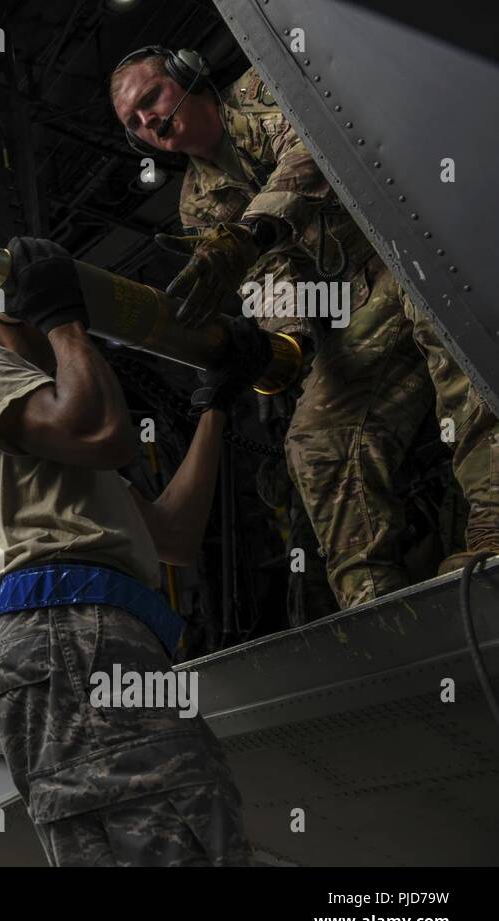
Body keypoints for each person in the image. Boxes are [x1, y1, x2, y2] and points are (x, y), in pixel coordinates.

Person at [110, 47, 499, 607]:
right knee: (314, 438)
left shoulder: (262, 86)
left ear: (189, 75)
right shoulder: (195, 202)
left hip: (408, 240)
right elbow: (268, 278)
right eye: (134, 123)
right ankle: (375, 602)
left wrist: (246, 235)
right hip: (354, 302)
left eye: (151, 99)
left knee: (439, 321)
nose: (148, 121)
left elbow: (309, 154)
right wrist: (282, 342)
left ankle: (492, 528)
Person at [0, 236, 265, 865]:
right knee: (190, 838)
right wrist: (62, 321)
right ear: (3, 305)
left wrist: (214, 403)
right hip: (71, 637)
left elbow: (173, 537)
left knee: (183, 837)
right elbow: (102, 432)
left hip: (88, 639)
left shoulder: (60, 459)